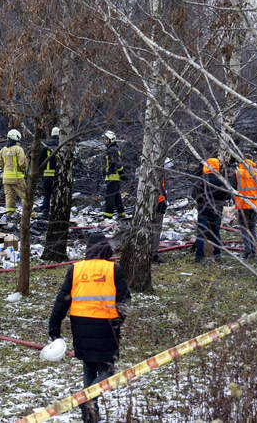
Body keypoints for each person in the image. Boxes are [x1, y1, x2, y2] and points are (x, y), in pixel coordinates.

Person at [49, 233, 131, 423]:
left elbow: (61, 300)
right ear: (106, 249)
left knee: (88, 365)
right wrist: (119, 321)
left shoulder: (76, 269)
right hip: (107, 326)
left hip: (80, 325)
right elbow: (125, 301)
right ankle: (87, 400)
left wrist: (54, 327)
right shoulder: (113, 269)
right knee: (107, 371)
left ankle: (90, 414)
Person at [192, 157, 229, 263]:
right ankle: (217, 254)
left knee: (200, 233)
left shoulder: (201, 179)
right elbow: (227, 195)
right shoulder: (222, 180)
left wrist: (201, 201)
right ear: (217, 166)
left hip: (204, 209)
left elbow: (194, 194)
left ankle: (199, 256)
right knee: (216, 232)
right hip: (217, 210)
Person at [230, 154, 257, 260]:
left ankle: (247, 251)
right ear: (252, 161)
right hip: (255, 205)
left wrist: (235, 200)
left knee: (244, 229)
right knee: (252, 227)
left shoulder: (237, 173)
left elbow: (232, 188)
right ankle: (253, 250)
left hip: (242, 205)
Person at [0, 129, 28, 217]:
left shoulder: (3, 150)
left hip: (6, 178)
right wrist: (24, 170)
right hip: (17, 178)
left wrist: (6, 169)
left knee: (9, 197)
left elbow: (0, 163)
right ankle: (29, 214)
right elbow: (22, 163)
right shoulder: (18, 149)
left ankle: (9, 214)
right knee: (24, 196)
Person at [150, 159, 172, 263]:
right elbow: (160, 189)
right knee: (156, 229)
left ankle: (149, 252)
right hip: (157, 203)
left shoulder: (148, 171)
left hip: (151, 203)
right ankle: (153, 254)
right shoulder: (158, 175)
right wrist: (163, 201)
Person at [101, 130, 125, 220]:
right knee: (116, 197)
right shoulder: (111, 149)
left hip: (112, 177)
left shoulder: (112, 150)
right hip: (113, 177)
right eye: (104, 139)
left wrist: (122, 174)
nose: (104, 141)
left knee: (109, 198)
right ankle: (121, 214)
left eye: (106, 139)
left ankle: (107, 217)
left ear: (111, 140)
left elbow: (117, 164)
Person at [39, 127, 60, 219]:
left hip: (47, 175)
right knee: (57, 195)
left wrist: (40, 170)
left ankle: (45, 210)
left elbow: (41, 160)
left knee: (47, 193)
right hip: (59, 175)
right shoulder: (62, 144)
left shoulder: (45, 145)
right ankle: (57, 212)